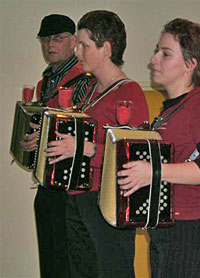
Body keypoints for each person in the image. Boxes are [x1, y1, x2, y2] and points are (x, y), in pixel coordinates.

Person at [117, 18, 200, 278]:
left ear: (190, 64)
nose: (154, 59)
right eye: (157, 51)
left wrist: (153, 172)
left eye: (165, 54)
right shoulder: (172, 108)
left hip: (193, 230)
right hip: (170, 229)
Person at [44, 10, 149, 277]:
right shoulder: (90, 91)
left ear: (106, 49)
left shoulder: (129, 92)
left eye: (84, 45)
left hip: (107, 205)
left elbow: (135, 157)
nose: (77, 52)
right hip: (79, 200)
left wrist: (83, 149)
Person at [20, 14, 91, 278]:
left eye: (58, 38)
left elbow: (83, 128)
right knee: (51, 263)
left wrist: (46, 136)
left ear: (73, 41)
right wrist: (31, 142)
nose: (50, 44)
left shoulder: (84, 78)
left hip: (71, 188)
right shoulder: (45, 81)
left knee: (70, 264)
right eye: (45, 39)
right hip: (47, 183)